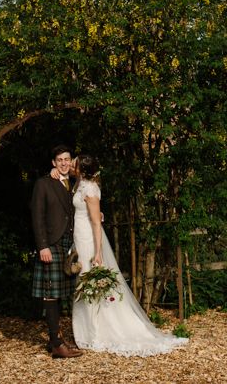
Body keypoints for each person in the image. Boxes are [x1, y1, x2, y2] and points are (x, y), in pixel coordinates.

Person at [71, 155, 188, 356]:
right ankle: (88, 329)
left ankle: (96, 332)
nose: (71, 164)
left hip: (89, 240)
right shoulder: (80, 184)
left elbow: (96, 222)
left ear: (81, 169)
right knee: (82, 282)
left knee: (89, 282)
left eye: (74, 162)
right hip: (79, 236)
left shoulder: (90, 189)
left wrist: (98, 251)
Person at [30, 144, 83, 358]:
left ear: (71, 162)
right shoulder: (43, 184)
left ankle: (57, 338)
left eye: (67, 159)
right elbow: (37, 216)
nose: (63, 163)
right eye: (59, 160)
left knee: (59, 293)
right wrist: (42, 245)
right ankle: (56, 343)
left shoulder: (72, 183)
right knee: (51, 293)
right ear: (53, 162)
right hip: (50, 244)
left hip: (67, 245)